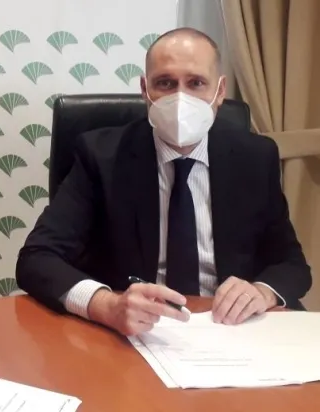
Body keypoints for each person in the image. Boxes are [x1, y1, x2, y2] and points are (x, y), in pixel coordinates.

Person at [16, 28, 311, 337]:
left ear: (220, 91)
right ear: (145, 90)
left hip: (229, 329)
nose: (180, 99)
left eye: (196, 83)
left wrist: (262, 292)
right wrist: (106, 305)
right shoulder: (100, 156)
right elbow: (37, 258)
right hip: (136, 331)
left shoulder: (255, 157)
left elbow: (291, 264)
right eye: (165, 83)